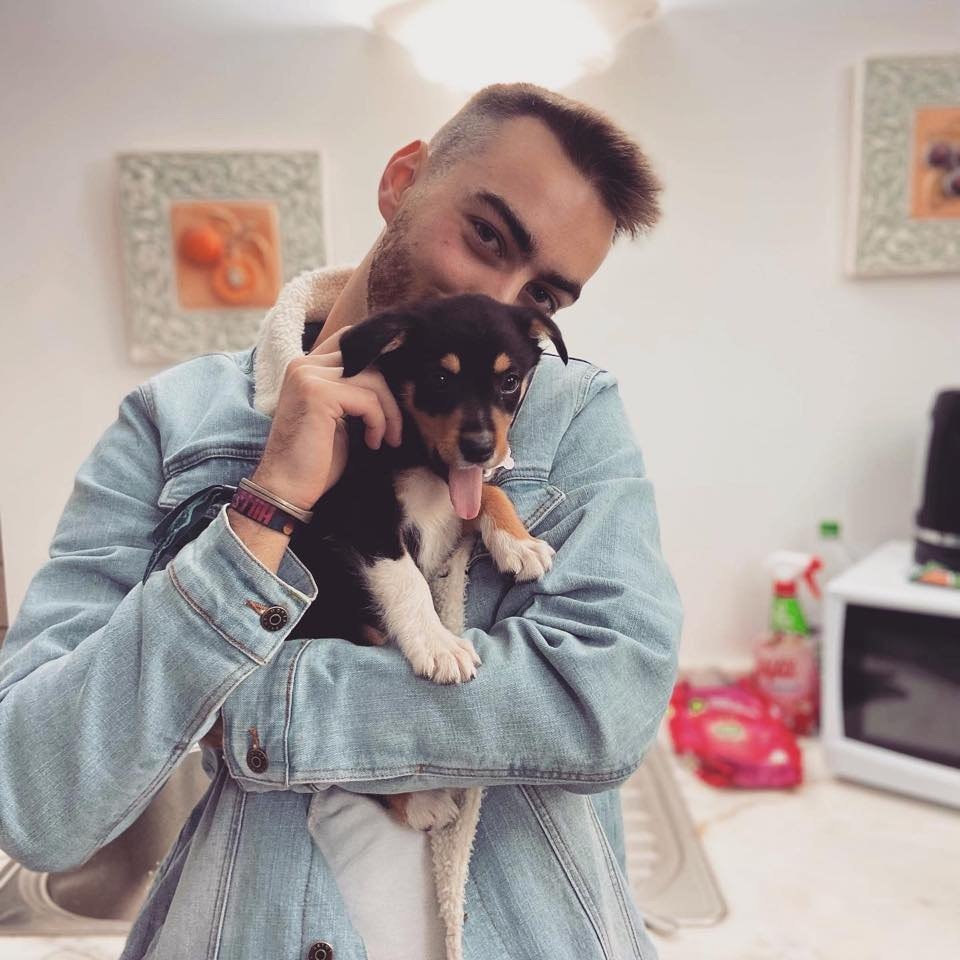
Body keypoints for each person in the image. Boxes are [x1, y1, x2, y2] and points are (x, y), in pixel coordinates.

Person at [0, 83, 683, 960]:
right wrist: (268, 501)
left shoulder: (570, 413)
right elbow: (32, 796)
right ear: (403, 180)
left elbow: (604, 705)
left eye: (545, 294)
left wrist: (245, 708)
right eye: (486, 235)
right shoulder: (171, 422)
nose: (496, 295)